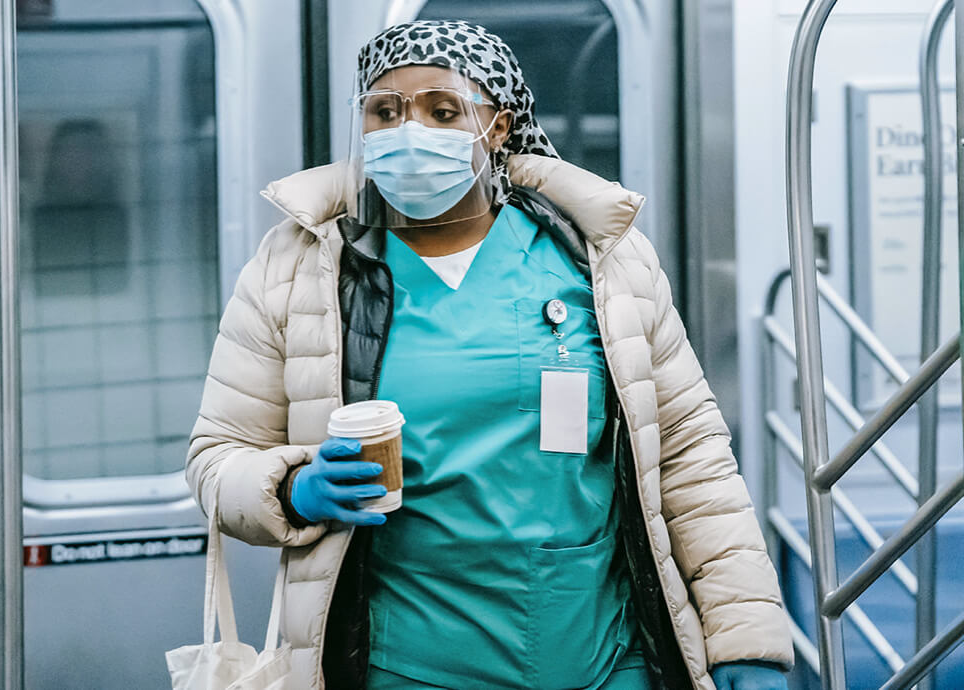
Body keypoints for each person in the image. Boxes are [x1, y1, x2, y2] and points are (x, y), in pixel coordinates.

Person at [187, 20, 792, 690]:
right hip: (406, 667)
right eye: (384, 112)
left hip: (607, 660)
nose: (407, 132)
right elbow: (217, 454)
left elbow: (690, 456)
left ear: (498, 129)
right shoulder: (298, 268)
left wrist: (748, 640)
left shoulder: (599, 260)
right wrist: (293, 489)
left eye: (442, 111)